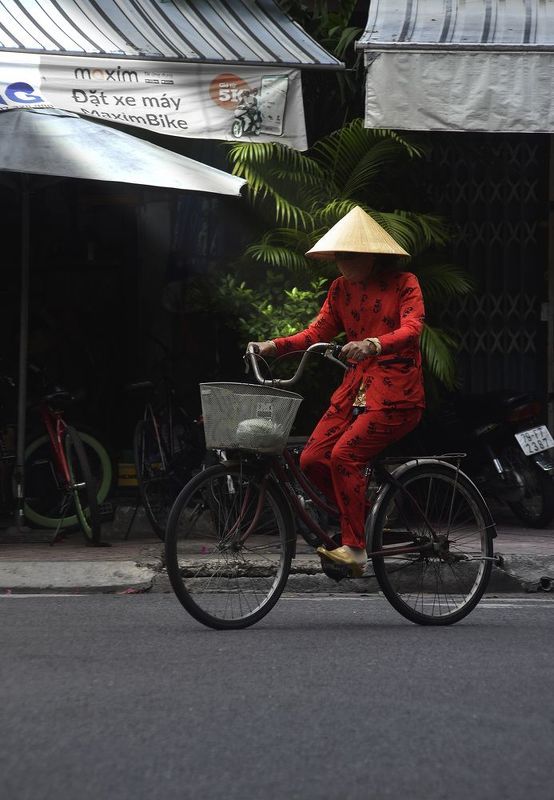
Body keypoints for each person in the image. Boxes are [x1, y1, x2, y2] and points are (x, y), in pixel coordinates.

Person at [248, 206, 425, 577]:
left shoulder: (404, 283)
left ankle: (355, 549)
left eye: (351, 255)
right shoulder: (340, 289)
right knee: (312, 459)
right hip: (355, 389)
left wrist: (374, 343)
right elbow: (316, 333)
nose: (343, 263)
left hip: (396, 392)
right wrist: (272, 346)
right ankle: (360, 517)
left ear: (372, 255)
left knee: (345, 456)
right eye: (339, 256)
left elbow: (413, 327)